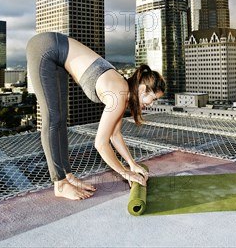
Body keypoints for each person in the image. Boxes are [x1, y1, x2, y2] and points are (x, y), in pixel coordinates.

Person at [26, 32, 166, 200]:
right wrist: (124, 173)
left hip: (56, 54)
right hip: (45, 48)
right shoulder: (119, 94)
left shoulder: (123, 91)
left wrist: (132, 164)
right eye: (154, 99)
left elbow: (115, 135)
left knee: (61, 119)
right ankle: (60, 184)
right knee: (53, 118)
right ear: (143, 90)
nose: (152, 104)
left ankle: (67, 176)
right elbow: (101, 143)